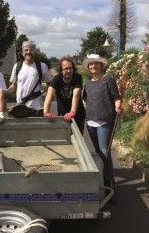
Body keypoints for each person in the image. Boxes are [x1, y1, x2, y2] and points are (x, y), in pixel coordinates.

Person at [81, 54, 122, 199]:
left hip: (105, 122)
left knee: (105, 153)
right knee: (98, 153)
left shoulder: (108, 80)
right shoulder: (88, 84)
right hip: (90, 121)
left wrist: (117, 105)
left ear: (101, 65)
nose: (93, 66)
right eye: (90, 65)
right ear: (88, 67)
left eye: (96, 64)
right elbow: (85, 98)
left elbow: (116, 96)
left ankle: (110, 187)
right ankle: (101, 183)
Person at [7, 41, 51, 116]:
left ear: (34, 52)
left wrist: (47, 102)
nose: (28, 52)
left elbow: (50, 86)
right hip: (20, 109)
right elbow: (13, 86)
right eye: (26, 50)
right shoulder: (17, 66)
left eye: (31, 50)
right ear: (22, 52)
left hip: (36, 109)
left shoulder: (42, 66)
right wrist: (2, 95)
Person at [43, 56, 86, 133]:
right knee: (65, 140)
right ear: (61, 71)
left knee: (77, 140)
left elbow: (76, 95)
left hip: (78, 115)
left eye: (70, 68)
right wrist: (46, 112)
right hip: (63, 116)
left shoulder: (77, 77)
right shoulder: (56, 79)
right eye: (65, 69)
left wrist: (72, 112)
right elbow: (49, 94)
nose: (69, 70)